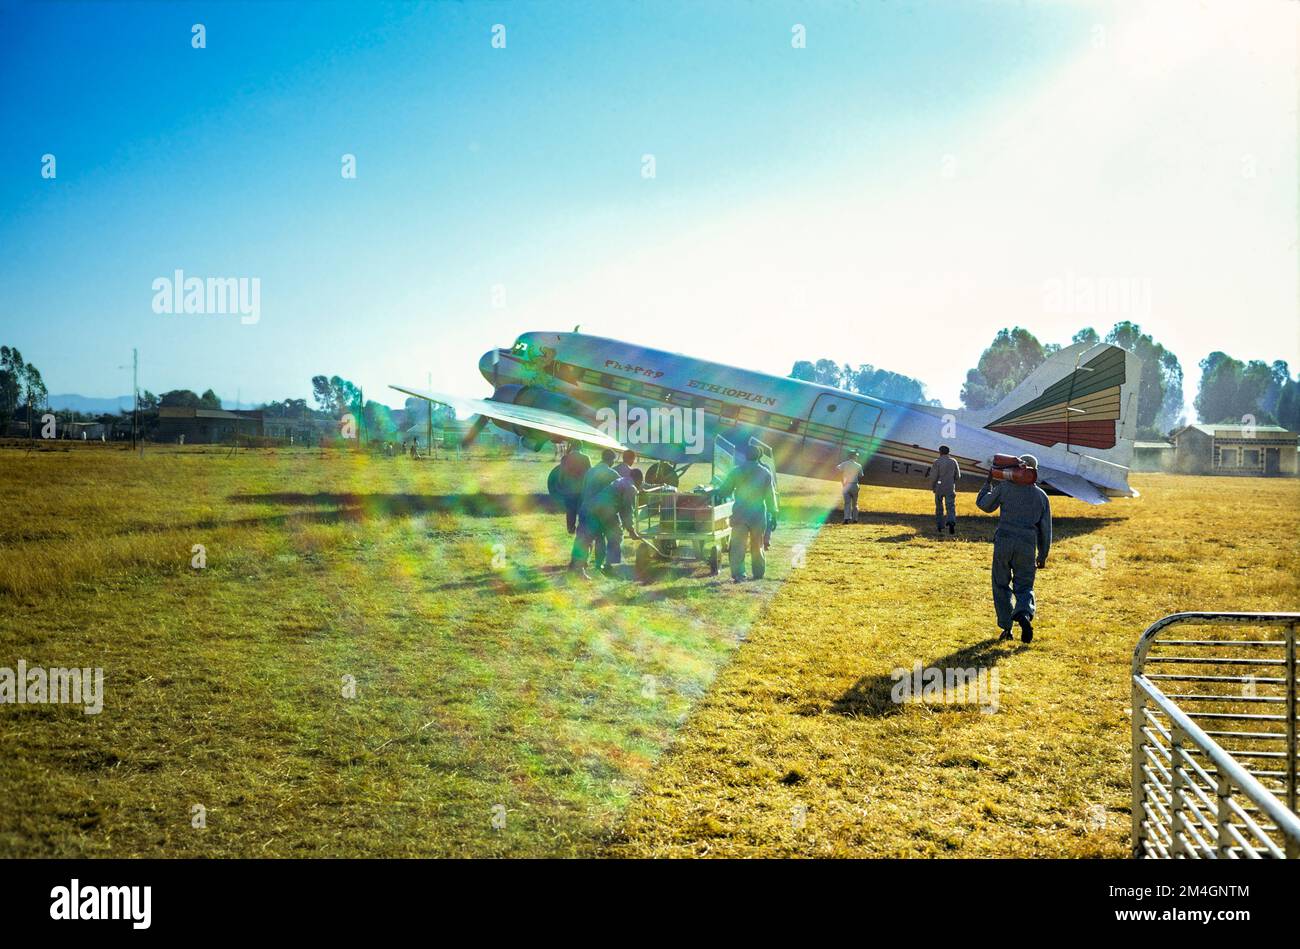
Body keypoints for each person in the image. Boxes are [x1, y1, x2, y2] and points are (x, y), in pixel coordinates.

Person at [975, 453, 1051, 643]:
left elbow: (984, 505)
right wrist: (1042, 555)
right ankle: (1024, 614)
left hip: (1004, 541)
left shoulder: (1005, 488)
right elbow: (1045, 529)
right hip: (1027, 544)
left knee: (1000, 584)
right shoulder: (1041, 496)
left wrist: (988, 483)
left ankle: (1007, 628)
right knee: (1025, 586)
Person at [569, 449, 639, 577]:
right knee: (615, 535)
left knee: (584, 539)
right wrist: (630, 528)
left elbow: (583, 491)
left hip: (586, 507)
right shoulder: (612, 474)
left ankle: (578, 566)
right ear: (612, 460)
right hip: (604, 511)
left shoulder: (590, 472)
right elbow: (623, 499)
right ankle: (608, 565)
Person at [715, 442, 778, 581]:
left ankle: (739, 574)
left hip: (740, 514)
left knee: (738, 546)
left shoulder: (736, 471)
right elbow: (770, 496)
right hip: (758, 515)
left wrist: (717, 492)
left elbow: (725, 491)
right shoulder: (765, 472)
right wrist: (774, 514)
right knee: (757, 545)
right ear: (759, 456)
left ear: (745, 456)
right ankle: (758, 573)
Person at [557, 443, 592, 535]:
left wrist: (561, 484)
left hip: (569, 489)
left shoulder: (565, 458)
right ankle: (582, 530)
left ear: (572, 446)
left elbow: (561, 473)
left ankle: (571, 529)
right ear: (581, 447)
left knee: (570, 511)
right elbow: (589, 473)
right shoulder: (585, 458)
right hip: (582, 488)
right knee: (582, 510)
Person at [929, 445, 961, 535]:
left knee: (939, 507)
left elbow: (933, 477)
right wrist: (952, 481)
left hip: (939, 487)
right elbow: (958, 476)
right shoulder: (953, 461)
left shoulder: (937, 462)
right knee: (950, 506)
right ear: (948, 452)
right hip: (950, 487)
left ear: (940, 452)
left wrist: (933, 486)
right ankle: (951, 522)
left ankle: (940, 526)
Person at [835, 451, 864, 524]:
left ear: (848, 456)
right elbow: (861, 475)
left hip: (846, 485)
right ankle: (855, 519)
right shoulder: (858, 465)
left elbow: (837, 468)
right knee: (855, 503)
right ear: (855, 457)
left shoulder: (844, 464)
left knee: (847, 503)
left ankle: (846, 519)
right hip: (854, 485)